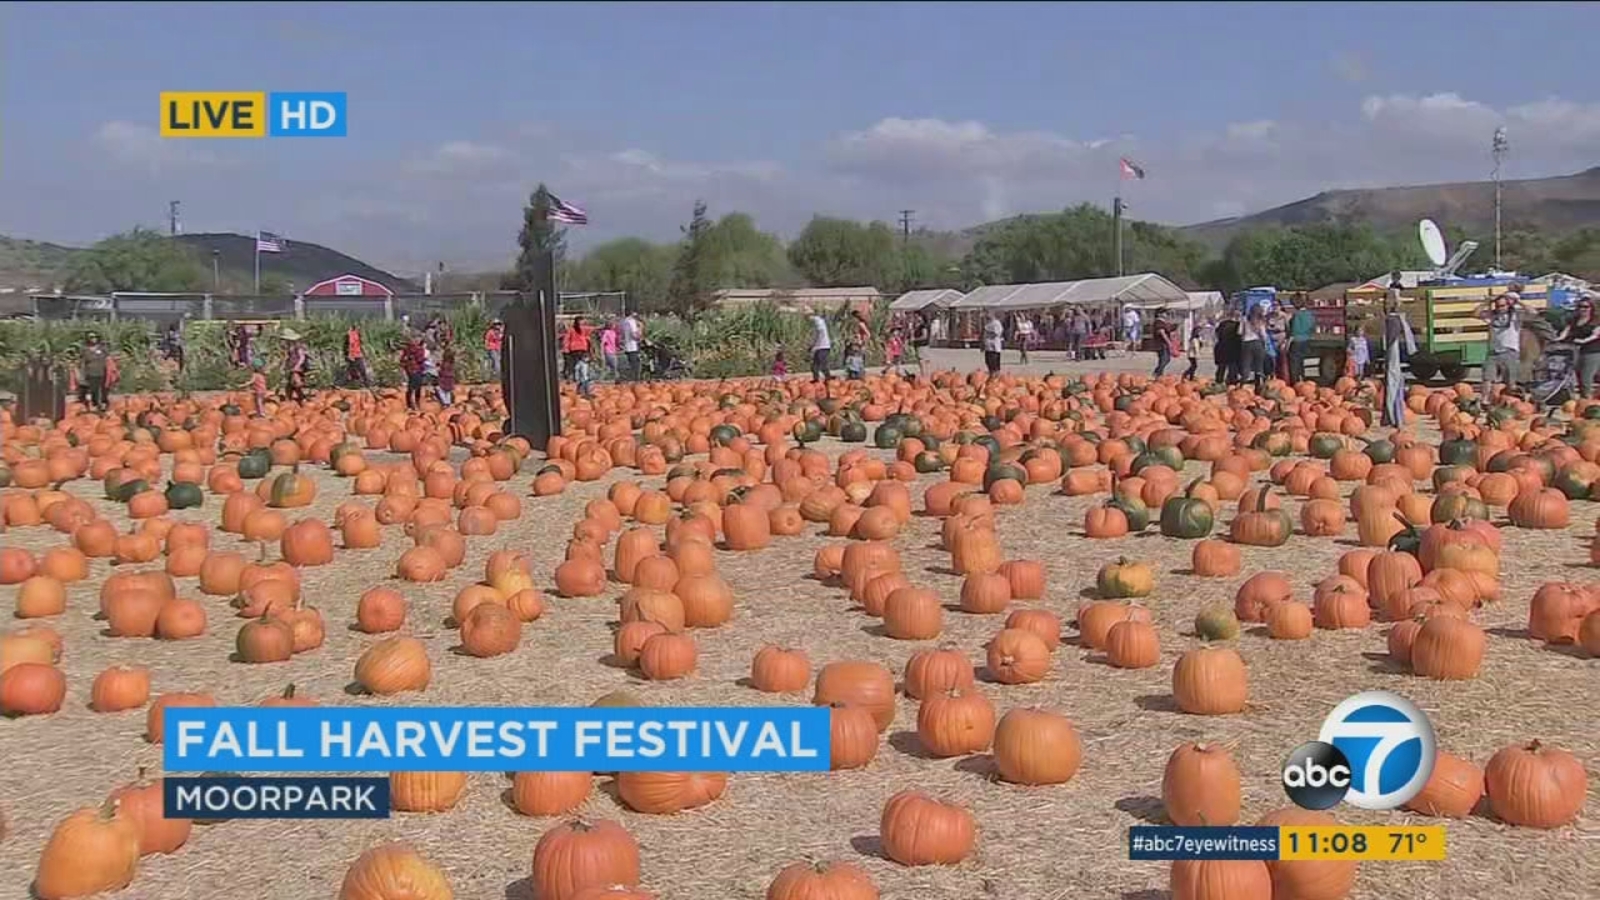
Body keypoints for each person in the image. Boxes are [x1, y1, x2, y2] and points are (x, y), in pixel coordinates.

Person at [1478, 284, 1526, 396]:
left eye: (1503, 306)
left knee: (1510, 380)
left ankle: (1510, 400)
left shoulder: (1515, 316)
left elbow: (1533, 312)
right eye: (1498, 306)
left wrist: (1517, 302)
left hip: (1510, 351)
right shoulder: (1492, 316)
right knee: (1487, 378)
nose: (1500, 308)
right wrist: (1487, 302)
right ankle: (1484, 400)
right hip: (1493, 351)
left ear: (1508, 305)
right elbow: (1475, 313)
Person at [1383, 292, 1418, 427]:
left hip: (1394, 358)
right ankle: (1393, 416)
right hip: (1392, 358)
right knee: (1392, 383)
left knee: (1394, 383)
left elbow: (1391, 342)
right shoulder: (1393, 320)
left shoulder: (1394, 320)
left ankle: (1393, 417)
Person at [1555, 294, 1600, 397]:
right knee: (1577, 378)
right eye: (1580, 306)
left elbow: (1595, 335)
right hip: (1575, 351)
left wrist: (1583, 341)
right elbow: (1565, 332)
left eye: (1586, 307)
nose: (1582, 309)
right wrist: (1558, 339)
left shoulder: (1596, 320)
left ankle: (1587, 400)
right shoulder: (1574, 320)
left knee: (1586, 378)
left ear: (1592, 308)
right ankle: (1582, 399)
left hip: (1592, 352)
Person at [79, 332, 110, 411]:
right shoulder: (85, 349)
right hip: (91, 373)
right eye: (91, 337)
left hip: (102, 372)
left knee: (103, 388)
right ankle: (95, 404)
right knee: (93, 389)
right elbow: (83, 362)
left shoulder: (102, 348)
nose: (94, 338)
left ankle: (104, 403)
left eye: (95, 337)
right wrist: (82, 374)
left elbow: (108, 358)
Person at [1288, 299, 1316, 383]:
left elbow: (1293, 330)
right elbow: (1312, 327)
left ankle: (1295, 382)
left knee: (1294, 364)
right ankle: (1302, 379)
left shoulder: (1296, 315)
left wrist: (1288, 343)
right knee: (1302, 363)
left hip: (1296, 341)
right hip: (1306, 340)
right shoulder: (1310, 315)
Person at [1240, 305, 1268, 388]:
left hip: (1246, 343)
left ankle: (1242, 384)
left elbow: (1240, 332)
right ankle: (1258, 386)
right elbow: (1263, 335)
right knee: (1259, 366)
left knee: (1246, 365)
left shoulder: (1245, 319)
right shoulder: (1260, 321)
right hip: (1257, 343)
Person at [400, 335, 427, 409]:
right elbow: (420, 359)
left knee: (412, 388)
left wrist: (405, 364)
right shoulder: (419, 350)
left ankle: (411, 404)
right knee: (416, 387)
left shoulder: (407, 350)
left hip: (412, 370)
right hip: (416, 370)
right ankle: (414, 403)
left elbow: (402, 360)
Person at [1214, 310, 1241, 384]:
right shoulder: (1237, 325)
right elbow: (1239, 337)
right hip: (1232, 348)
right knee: (1232, 367)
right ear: (1236, 316)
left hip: (1221, 347)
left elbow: (1217, 333)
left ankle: (1219, 381)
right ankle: (1232, 383)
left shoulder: (1222, 324)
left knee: (1221, 367)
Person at [282, 330, 310, 403]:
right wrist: (284, 365)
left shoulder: (298, 346)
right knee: (289, 385)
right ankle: (291, 399)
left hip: (298, 367)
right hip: (291, 367)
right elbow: (288, 357)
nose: (286, 341)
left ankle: (301, 397)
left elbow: (302, 357)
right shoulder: (289, 346)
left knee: (295, 382)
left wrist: (297, 366)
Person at [562, 316, 592, 382]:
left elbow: (566, 339)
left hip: (574, 349)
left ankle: (575, 378)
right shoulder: (583, 329)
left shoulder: (572, 329)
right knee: (582, 364)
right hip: (581, 349)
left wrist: (566, 348)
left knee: (576, 365)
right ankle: (581, 378)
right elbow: (593, 329)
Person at [1267, 302, 1290, 381]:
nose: (1275, 307)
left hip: (1281, 339)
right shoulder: (1269, 316)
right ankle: (1272, 376)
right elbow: (1265, 326)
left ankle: (1283, 379)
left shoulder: (1284, 316)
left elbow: (1288, 329)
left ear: (1280, 306)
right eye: (1273, 305)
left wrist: (1286, 341)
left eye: (1277, 305)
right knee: (1272, 359)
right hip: (1271, 340)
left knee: (1282, 360)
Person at [344, 324, 372, 388]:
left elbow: (360, 345)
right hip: (352, 355)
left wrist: (364, 353)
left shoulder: (357, 334)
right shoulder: (349, 335)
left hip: (358, 355)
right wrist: (349, 355)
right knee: (354, 371)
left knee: (361, 370)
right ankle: (352, 384)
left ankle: (366, 384)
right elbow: (349, 346)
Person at [809, 311, 832, 382]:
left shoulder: (817, 320)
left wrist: (814, 345)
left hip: (823, 346)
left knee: (822, 364)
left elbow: (820, 332)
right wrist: (813, 346)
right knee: (815, 365)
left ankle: (828, 379)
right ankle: (816, 380)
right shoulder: (818, 321)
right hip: (821, 346)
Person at [620, 311, 643, 381]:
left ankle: (632, 382)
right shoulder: (632, 322)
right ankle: (635, 382)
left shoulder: (624, 321)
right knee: (636, 366)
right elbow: (635, 336)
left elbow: (622, 334)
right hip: (633, 347)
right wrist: (640, 328)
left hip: (627, 346)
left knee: (631, 365)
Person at [1151, 310, 1175, 377]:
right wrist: (1169, 342)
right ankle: (1158, 373)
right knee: (1164, 359)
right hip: (1161, 344)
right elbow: (1162, 333)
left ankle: (1159, 373)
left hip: (1164, 344)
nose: (1166, 314)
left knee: (1166, 359)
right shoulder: (1158, 322)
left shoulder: (1163, 322)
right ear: (1159, 314)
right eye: (1165, 313)